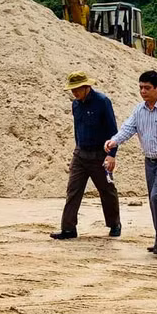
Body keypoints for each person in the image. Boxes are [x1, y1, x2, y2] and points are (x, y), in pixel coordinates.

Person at [104, 70, 157, 255]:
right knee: (154, 200)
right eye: (140, 87)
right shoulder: (139, 110)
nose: (143, 91)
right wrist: (114, 140)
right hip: (149, 161)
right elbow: (128, 128)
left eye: (147, 88)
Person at [51, 71, 121, 240]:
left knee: (107, 190)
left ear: (86, 86)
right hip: (80, 154)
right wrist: (78, 148)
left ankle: (114, 224)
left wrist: (111, 155)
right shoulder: (75, 104)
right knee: (73, 190)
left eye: (77, 89)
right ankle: (68, 229)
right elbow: (77, 129)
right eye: (72, 89)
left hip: (100, 155)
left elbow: (113, 131)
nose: (74, 92)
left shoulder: (103, 102)